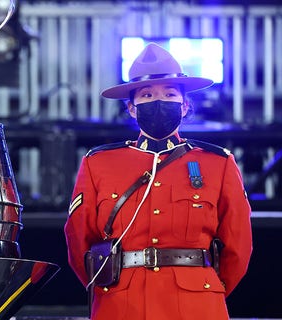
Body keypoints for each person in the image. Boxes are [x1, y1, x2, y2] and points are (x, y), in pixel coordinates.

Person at [64, 42, 252, 320]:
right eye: (147, 95)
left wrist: (206, 289)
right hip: (120, 304)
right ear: (131, 108)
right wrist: (109, 287)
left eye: (170, 93)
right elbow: (79, 241)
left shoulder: (218, 163)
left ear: (185, 106)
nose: (158, 101)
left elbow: (238, 245)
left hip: (197, 306)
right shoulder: (98, 163)